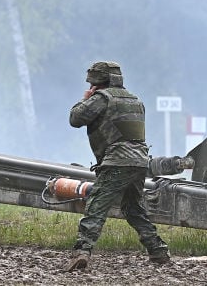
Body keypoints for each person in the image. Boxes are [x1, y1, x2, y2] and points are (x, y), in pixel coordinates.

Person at [66, 61, 171, 271]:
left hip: (117, 161)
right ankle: (158, 251)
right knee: (133, 208)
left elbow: (75, 118)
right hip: (140, 162)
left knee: (96, 205)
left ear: (97, 80)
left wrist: (85, 99)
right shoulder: (135, 100)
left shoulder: (101, 99)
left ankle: (82, 251)